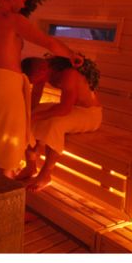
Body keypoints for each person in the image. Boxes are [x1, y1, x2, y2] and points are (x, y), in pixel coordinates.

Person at [0, 0, 83, 178]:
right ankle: (3, 191)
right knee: (9, 139)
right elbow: (48, 43)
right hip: (6, 84)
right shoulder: (13, 19)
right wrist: (71, 55)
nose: (24, 5)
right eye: (24, 0)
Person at [17, 56, 102, 191]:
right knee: (30, 115)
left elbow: (64, 109)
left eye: (33, 80)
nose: (34, 83)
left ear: (41, 70)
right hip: (73, 110)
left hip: (89, 114)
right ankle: (30, 165)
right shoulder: (45, 72)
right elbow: (35, 97)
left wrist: (35, 117)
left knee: (55, 124)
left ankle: (46, 174)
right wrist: (28, 115)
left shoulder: (69, 74)